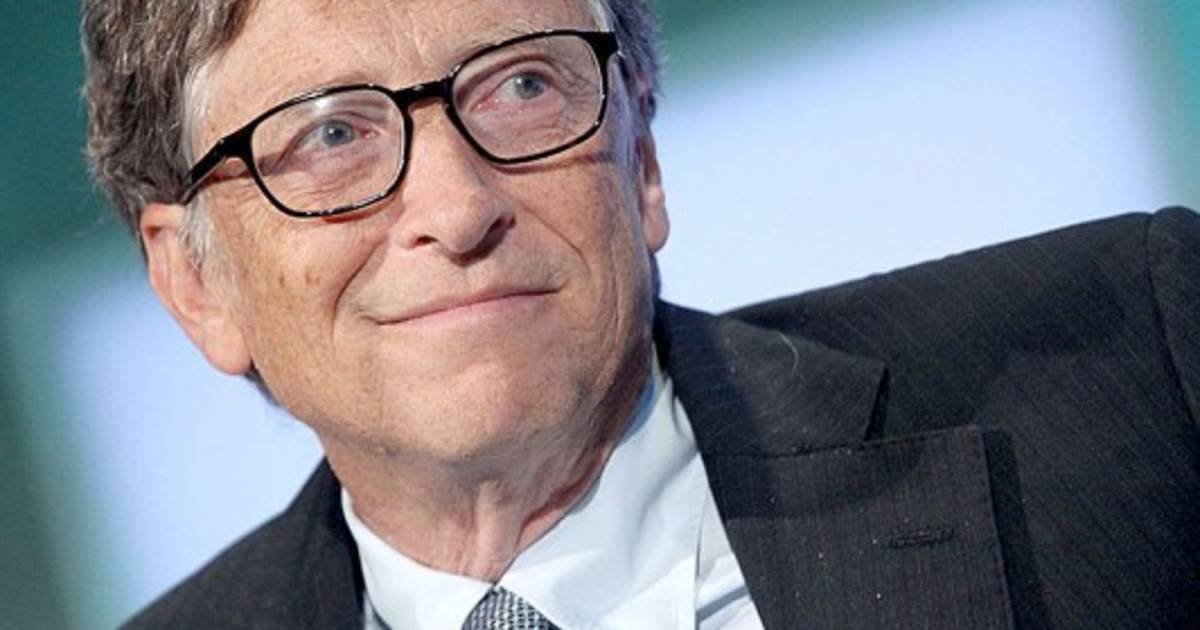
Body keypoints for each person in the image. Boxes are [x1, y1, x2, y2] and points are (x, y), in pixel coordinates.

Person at [81, 0, 1198, 628]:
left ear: (643, 158)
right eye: (333, 135)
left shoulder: (1138, 366)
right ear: (197, 283)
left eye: (524, 86)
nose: (459, 209)